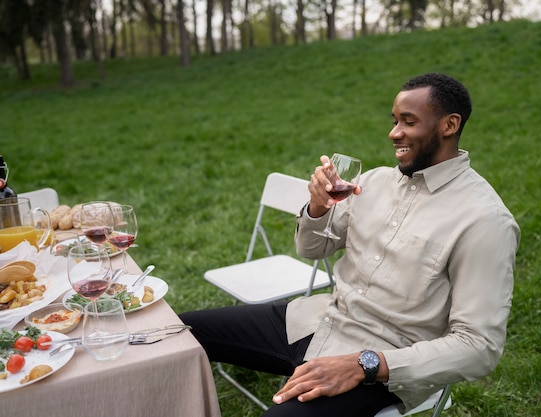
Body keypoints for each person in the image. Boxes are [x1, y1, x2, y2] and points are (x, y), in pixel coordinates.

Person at [180, 72, 520, 417]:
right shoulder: (372, 182)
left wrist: (365, 364)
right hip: (317, 320)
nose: (394, 133)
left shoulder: (484, 220)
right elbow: (312, 250)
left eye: (408, 122)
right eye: (394, 121)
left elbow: (480, 348)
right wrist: (317, 207)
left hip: (385, 363)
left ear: (449, 125)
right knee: (179, 333)